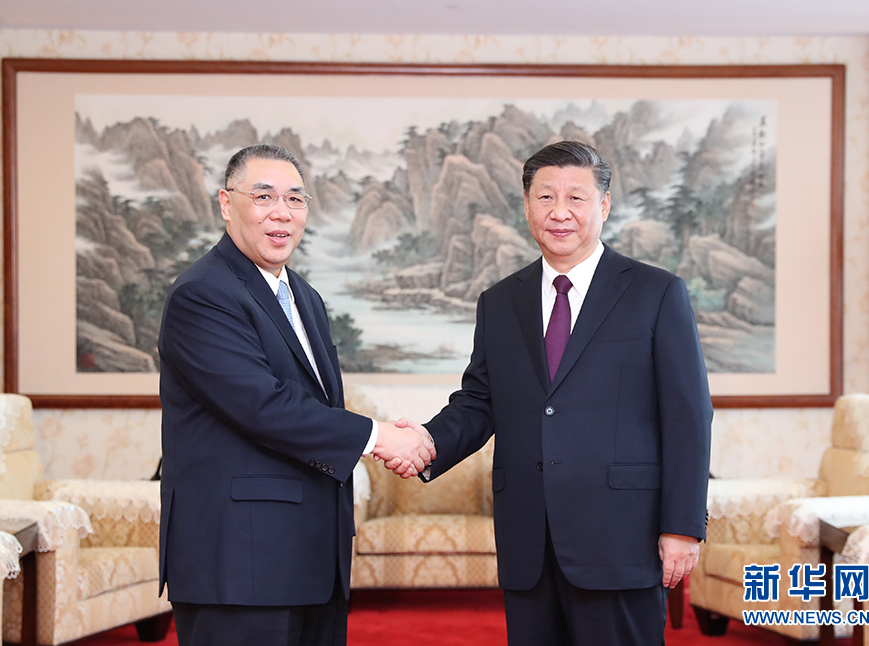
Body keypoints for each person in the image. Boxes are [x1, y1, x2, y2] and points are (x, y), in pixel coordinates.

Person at [396, 141, 712, 645]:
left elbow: (688, 417)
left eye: (576, 198)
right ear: (527, 206)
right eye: (545, 197)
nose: (559, 212)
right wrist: (427, 442)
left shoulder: (656, 293)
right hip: (529, 541)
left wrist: (683, 525)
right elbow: (480, 401)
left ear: (604, 205)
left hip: (620, 539)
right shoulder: (500, 301)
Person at [157, 143, 434, 646]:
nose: (282, 212)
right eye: (263, 196)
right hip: (240, 564)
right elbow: (263, 406)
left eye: (295, 199)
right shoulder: (203, 293)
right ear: (226, 203)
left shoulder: (303, 296)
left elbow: (316, 406)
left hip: (313, 557)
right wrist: (379, 437)